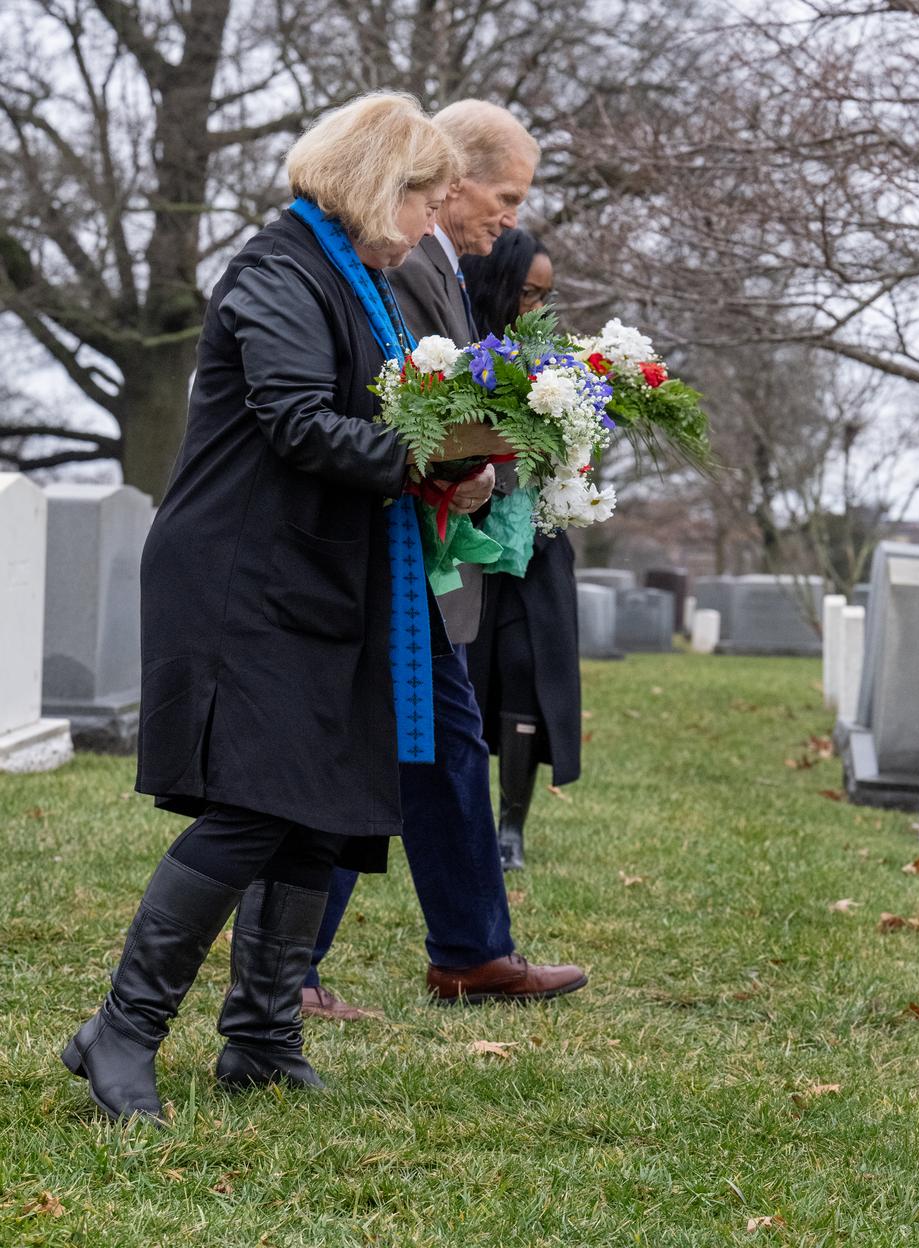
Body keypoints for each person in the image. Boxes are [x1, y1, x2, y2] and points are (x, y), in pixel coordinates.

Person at [59, 94, 480, 1124]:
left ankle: (258, 1038)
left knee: (313, 805)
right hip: (243, 575)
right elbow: (298, 424)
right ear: (380, 186)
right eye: (425, 200)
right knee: (252, 804)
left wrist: (460, 466)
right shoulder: (279, 271)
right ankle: (122, 1028)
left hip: (316, 570)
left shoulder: (350, 280)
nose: (432, 223)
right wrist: (442, 455)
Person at [302, 101, 587, 1018]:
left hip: (421, 538)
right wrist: (453, 464)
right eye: (503, 196)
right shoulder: (405, 257)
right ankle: (295, 971)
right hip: (388, 544)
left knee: (439, 746)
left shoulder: (445, 263)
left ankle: (469, 948)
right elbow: (393, 399)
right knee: (390, 748)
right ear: (451, 177)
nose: (509, 217)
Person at [462, 230, 581, 870]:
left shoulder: (552, 359)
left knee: (526, 670)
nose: (535, 308)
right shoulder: (461, 344)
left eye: (545, 296)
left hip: (538, 540)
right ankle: (465, 818)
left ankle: (512, 825)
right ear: (497, 284)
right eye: (526, 293)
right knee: (469, 676)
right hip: (473, 538)